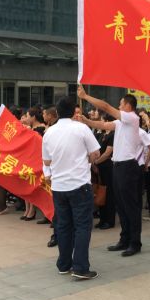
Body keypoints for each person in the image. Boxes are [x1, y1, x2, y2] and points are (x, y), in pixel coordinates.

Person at [77, 86, 143, 257]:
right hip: (118, 166)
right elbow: (103, 124)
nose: (119, 107)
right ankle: (124, 239)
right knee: (120, 204)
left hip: (128, 166)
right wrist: (86, 121)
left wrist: (85, 96)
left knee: (130, 205)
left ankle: (135, 243)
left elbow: (105, 107)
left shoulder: (132, 118)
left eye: (121, 104)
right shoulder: (121, 122)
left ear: (128, 106)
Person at [42, 96, 101, 280]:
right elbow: (95, 153)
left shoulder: (49, 132)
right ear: (73, 111)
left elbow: (46, 161)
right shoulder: (81, 128)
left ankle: (64, 264)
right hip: (79, 184)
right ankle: (81, 267)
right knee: (82, 226)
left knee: (63, 226)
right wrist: (87, 159)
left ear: (57, 112)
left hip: (59, 186)